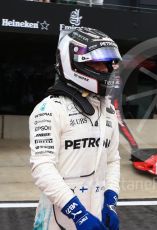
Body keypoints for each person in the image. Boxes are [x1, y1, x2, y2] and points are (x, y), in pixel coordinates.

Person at [29, 27, 121, 230]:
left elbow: (113, 160)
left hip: (95, 219)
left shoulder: (108, 111)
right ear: (73, 63)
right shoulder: (49, 108)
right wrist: (78, 214)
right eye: (98, 62)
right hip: (55, 222)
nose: (106, 70)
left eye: (108, 64)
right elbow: (42, 168)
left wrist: (111, 202)